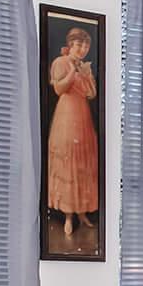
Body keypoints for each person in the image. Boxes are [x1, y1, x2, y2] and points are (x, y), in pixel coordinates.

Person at [46, 26, 100, 239]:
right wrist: (72, 70)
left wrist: (87, 76)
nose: (82, 49)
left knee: (83, 162)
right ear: (70, 45)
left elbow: (91, 94)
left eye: (85, 45)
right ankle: (68, 215)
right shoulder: (60, 62)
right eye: (79, 45)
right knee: (68, 161)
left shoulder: (85, 66)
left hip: (82, 114)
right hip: (66, 114)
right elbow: (59, 89)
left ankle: (82, 211)